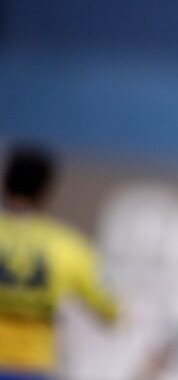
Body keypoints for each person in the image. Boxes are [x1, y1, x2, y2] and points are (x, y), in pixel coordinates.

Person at [0, 145, 118, 380]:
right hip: (32, 366)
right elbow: (110, 308)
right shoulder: (67, 246)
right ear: (45, 192)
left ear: (5, 182)